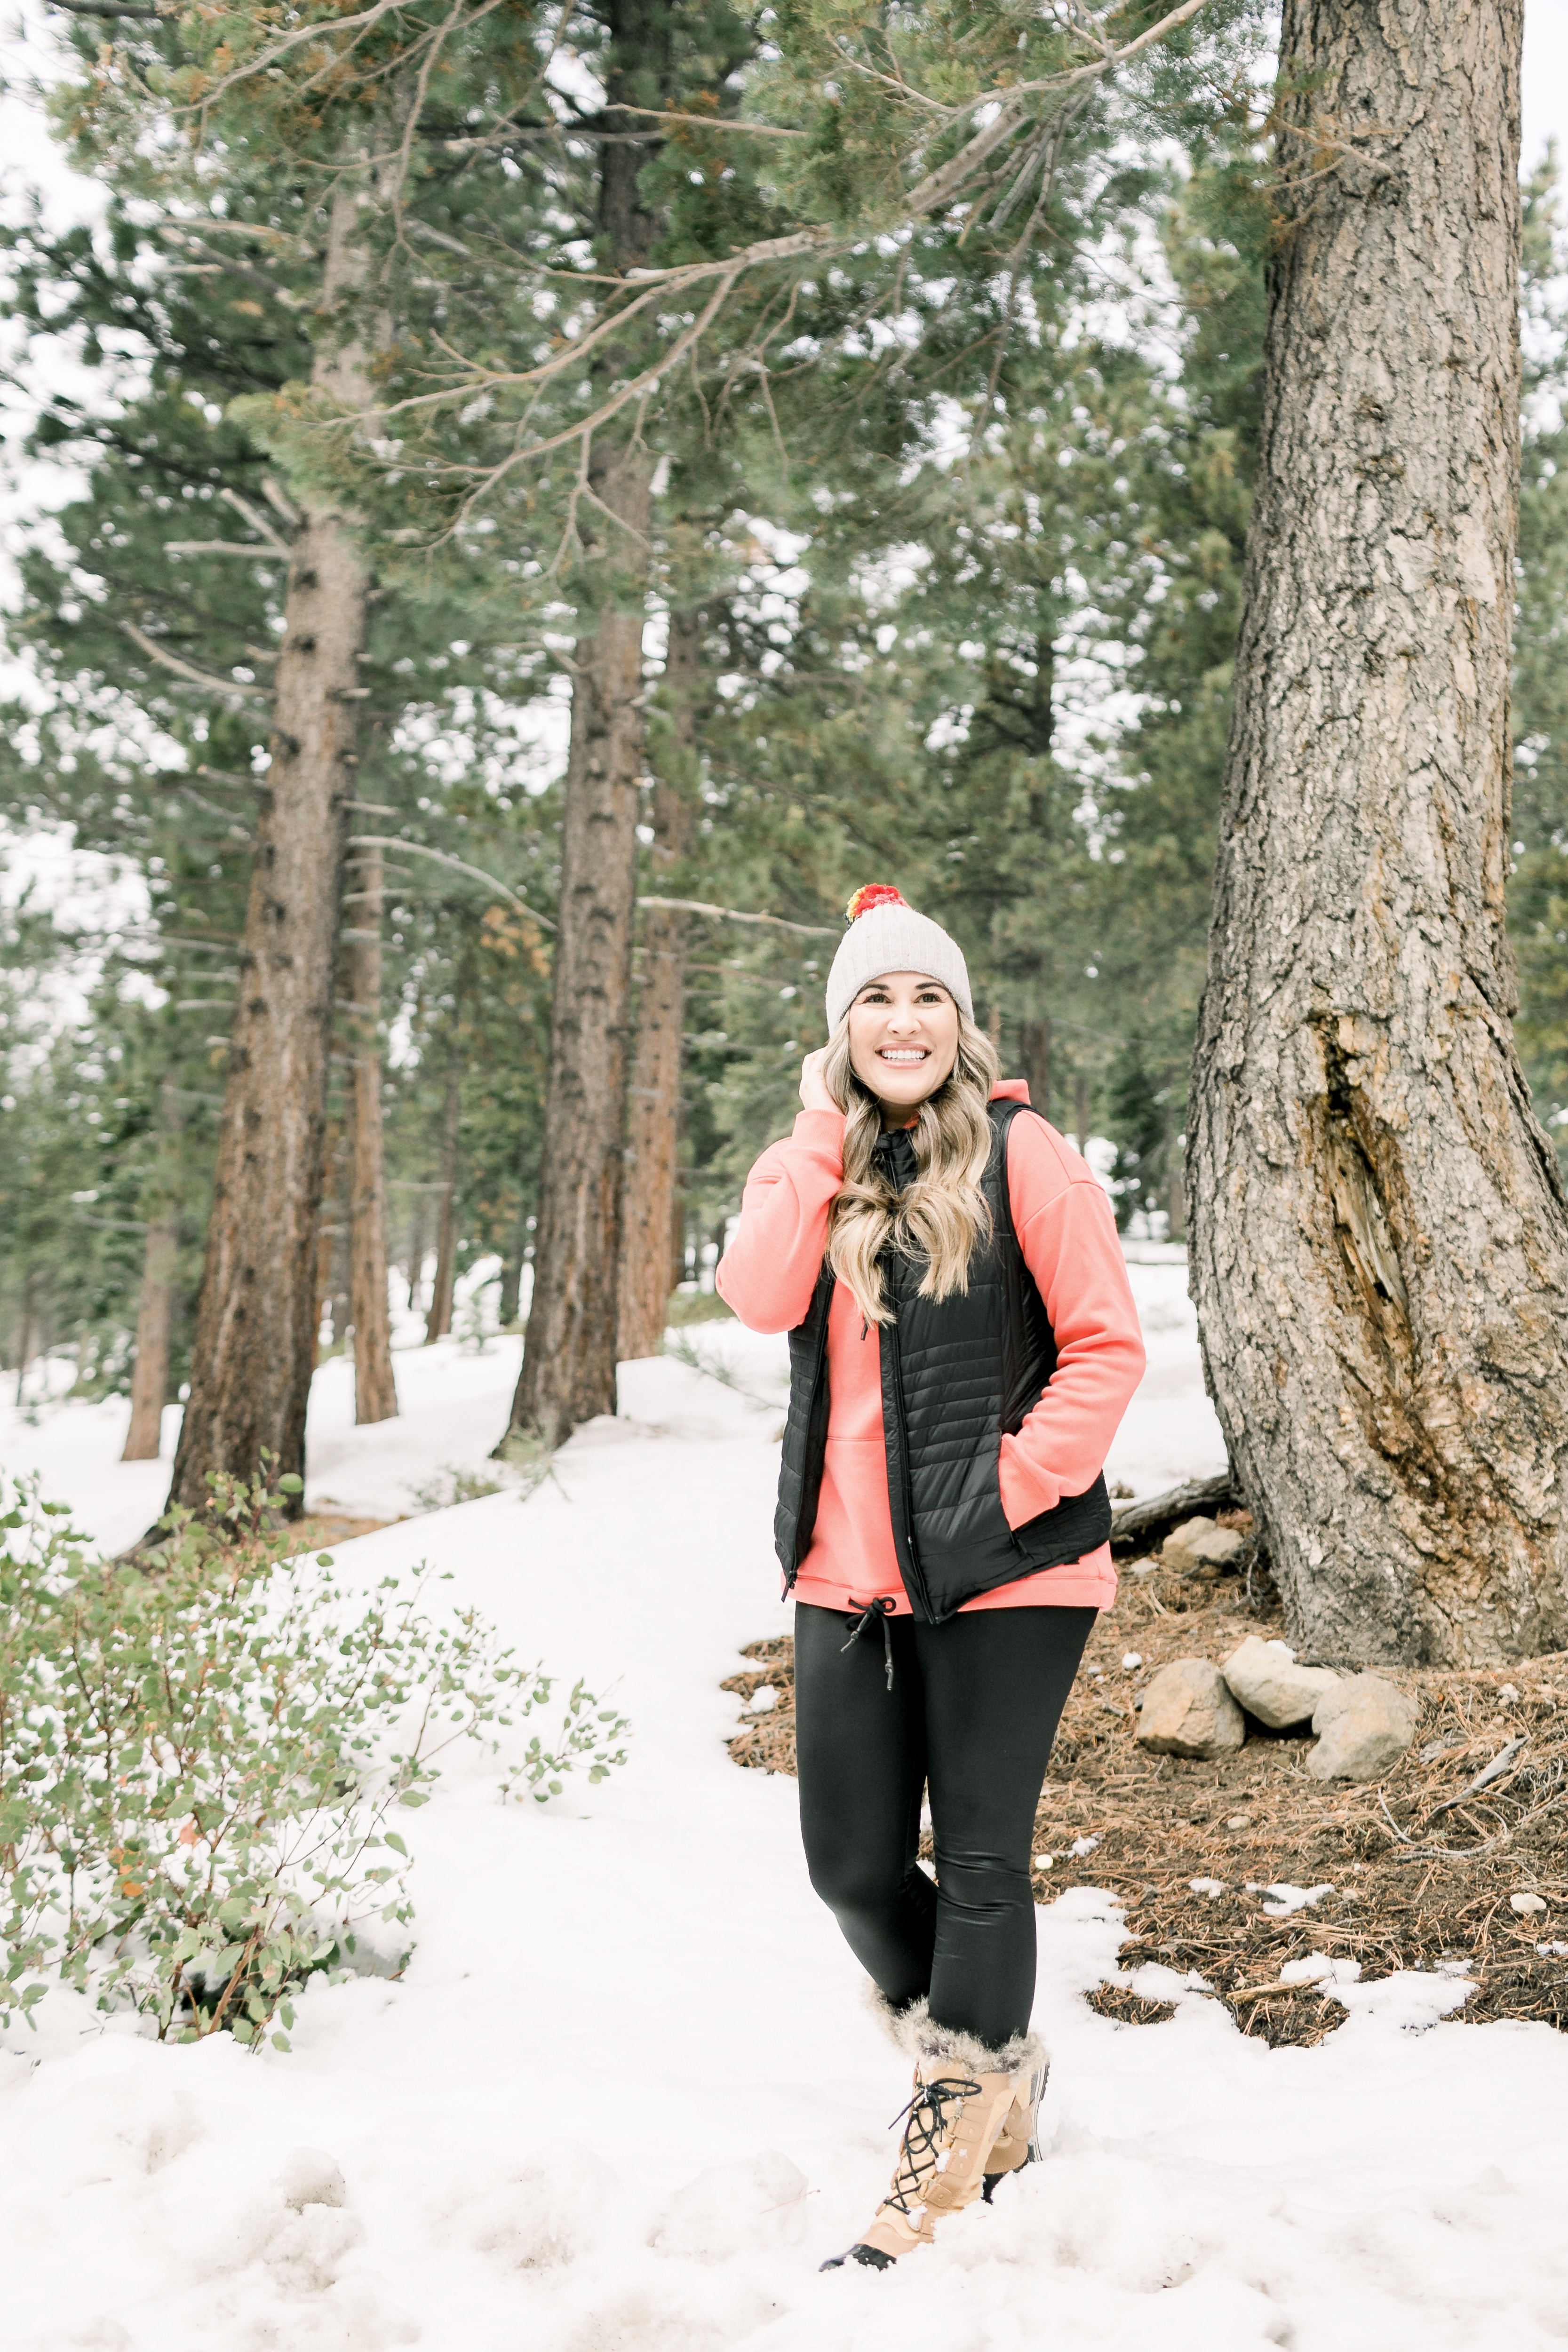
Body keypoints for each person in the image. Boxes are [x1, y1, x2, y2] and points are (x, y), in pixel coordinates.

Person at [716, 883, 1146, 2272]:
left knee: (976, 1863)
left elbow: (1107, 1345)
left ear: (961, 1023)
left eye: (927, 998)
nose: (903, 1021)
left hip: (1008, 1571)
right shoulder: (827, 1160)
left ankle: (946, 2154)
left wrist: (1013, 1488)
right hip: (846, 1577)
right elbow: (757, 1291)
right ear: (840, 1028)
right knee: (847, 1863)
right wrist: (809, 1131)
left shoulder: (1025, 1153)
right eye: (875, 1000)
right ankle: (994, 2078)